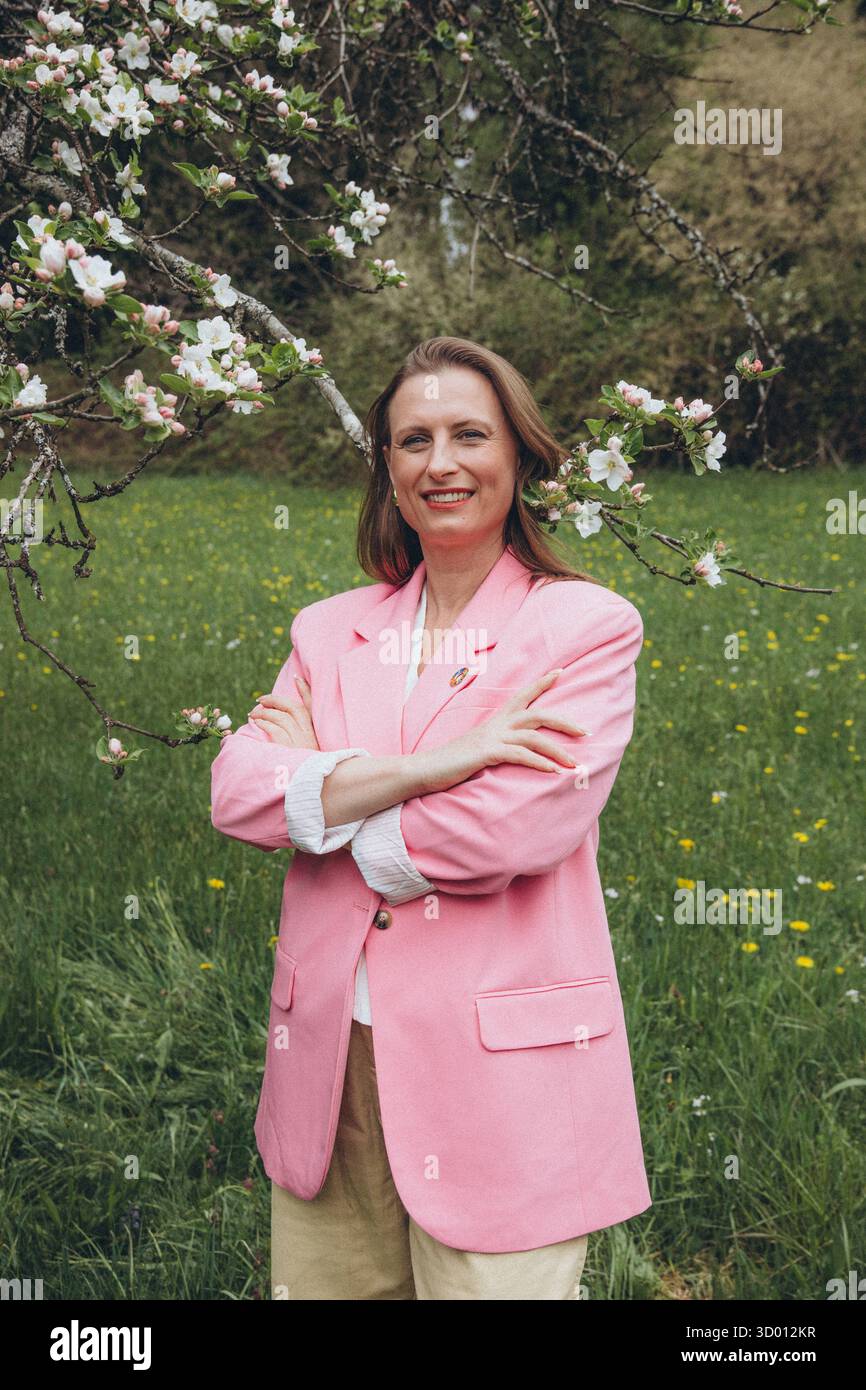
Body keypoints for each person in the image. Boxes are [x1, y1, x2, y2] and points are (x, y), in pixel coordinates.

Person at [210, 336, 652, 1300]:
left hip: (502, 1078)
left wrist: (324, 809)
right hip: (332, 1059)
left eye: (468, 435)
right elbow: (237, 792)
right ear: (389, 470)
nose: (440, 463)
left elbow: (511, 829)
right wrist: (429, 768)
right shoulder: (329, 630)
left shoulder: (583, 626)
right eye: (413, 440)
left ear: (520, 455)